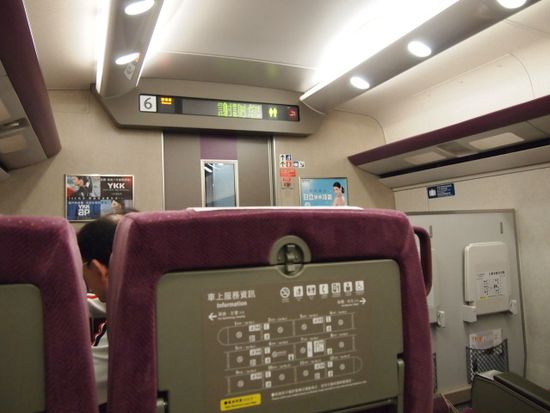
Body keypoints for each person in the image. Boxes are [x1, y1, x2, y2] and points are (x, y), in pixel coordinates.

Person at [77, 212, 130, 408]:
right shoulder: (156, 292)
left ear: (99, 270)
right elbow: (94, 303)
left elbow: (78, 386)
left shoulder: (126, 325)